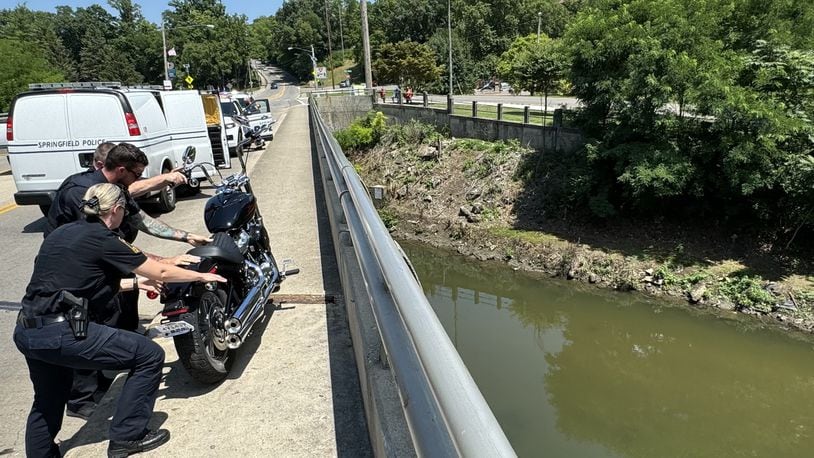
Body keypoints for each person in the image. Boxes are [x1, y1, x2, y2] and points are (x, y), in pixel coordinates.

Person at [14, 183, 226, 457]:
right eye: (124, 210)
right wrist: (201, 276)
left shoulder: (63, 233)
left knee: (48, 397)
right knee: (148, 355)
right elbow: (162, 270)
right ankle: (127, 436)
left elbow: (82, 283)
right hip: (62, 332)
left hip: (29, 331)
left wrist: (138, 283)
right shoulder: (105, 238)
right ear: (116, 209)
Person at [46, 143, 209, 419]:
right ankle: (82, 399)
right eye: (136, 175)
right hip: (83, 271)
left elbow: (140, 220)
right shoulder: (83, 194)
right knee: (88, 325)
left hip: (113, 262)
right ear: (121, 170)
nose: (138, 181)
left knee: (123, 314)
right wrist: (162, 263)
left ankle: (119, 364)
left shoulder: (117, 189)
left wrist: (185, 236)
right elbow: (108, 247)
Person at [92, 142, 187, 198]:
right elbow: (134, 188)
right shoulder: (91, 187)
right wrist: (166, 178)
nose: (137, 179)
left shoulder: (120, 187)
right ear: (101, 165)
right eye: (136, 174)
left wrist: (167, 178)